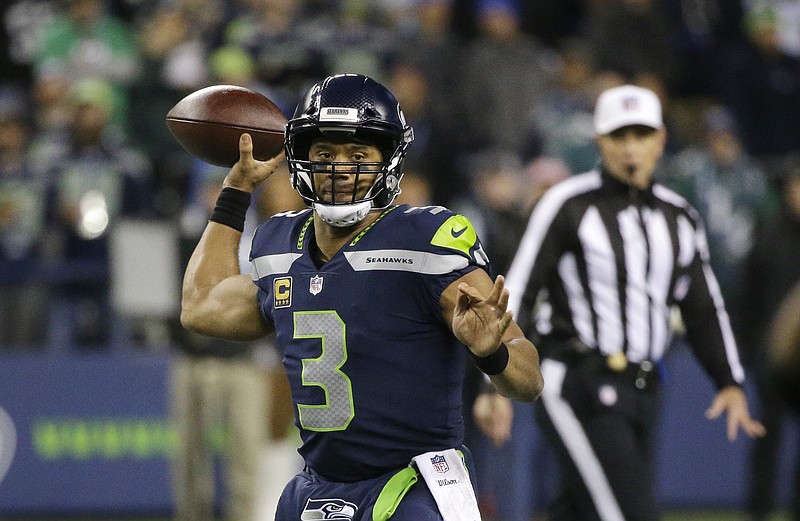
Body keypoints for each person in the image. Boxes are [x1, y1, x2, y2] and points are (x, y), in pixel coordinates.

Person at [180, 73, 543, 520]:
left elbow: (529, 380)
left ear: (388, 159)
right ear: (301, 158)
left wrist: (492, 356)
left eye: (358, 154)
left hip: (415, 486)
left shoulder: (424, 240)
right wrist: (236, 190)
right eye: (325, 153)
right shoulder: (279, 245)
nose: (340, 168)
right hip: (316, 488)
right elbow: (200, 306)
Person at [504, 84, 765, 521]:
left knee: (583, 509)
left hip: (645, 388)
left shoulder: (678, 216)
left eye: (641, 135)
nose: (630, 148)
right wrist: (496, 376)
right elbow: (519, 293)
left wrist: (728, 379)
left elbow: (702, 307)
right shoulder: (567, 205)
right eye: (619, 136)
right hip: (576, 381)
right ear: (599, 143)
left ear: (661, 140)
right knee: (630, 512)